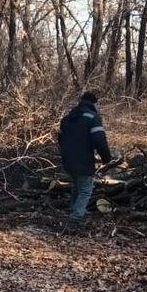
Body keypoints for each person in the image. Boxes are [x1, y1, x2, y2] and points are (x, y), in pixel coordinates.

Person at [58, 92, 112, 232]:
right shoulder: (92, 118)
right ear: (94, 104)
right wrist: (107, 158)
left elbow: (60, 137)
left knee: (77, 184)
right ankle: (75, 220)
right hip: (83, 159)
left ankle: (73, 210)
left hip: (67, 159)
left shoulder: (69, 117)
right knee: (86, 190)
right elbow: (99, 140)